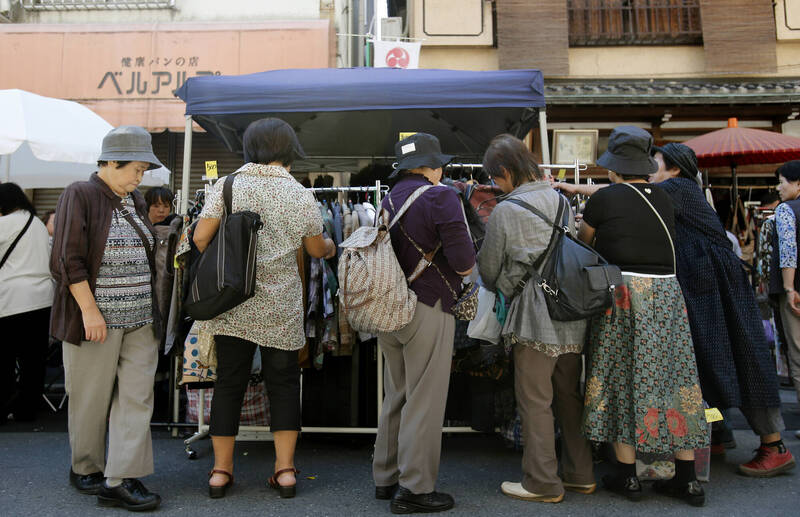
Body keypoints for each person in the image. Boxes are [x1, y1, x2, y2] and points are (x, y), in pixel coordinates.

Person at [559, 143, 796, 477]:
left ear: (674, 168)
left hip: (714, 284)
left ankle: (774, 445)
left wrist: (571, 187)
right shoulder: (678, 189)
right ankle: (715, 433)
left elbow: (621, 192)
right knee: (701, 363)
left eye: (654, 162)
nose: (648, 167)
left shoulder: (677, 188)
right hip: (705, 282)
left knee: (739, 359)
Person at [192, 118, 335, 499]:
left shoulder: (227, 185)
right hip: (280, 306)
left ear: (249, 149)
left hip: (233, 303)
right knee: (284, 386)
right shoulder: (301, 194)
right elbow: (316, 250)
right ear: (289, 151)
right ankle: (285, 471)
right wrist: (332, 247)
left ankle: (221, 472)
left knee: (229, 385)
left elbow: (200, 237)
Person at [577, 127, 708, 507]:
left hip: (624, 292)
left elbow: (585, 242)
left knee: (620, 375)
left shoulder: (605, 199)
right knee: (677, 377)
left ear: (614, 167)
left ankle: (627, 475)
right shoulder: (665, 199)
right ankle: (688, 479)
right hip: (668, 293)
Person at [50, 126, 165, 511]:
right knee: (90, 399)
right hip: (94, 321)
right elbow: (67, 259)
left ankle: (120, 479)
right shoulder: (79, 194)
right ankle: (86, 466)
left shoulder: (134, 201)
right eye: (134, 169)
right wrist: (89, 311)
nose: (139, 177)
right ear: (111, 162)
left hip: (139, 318)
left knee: (137, 398)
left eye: (143, 171)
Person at [477, 135, 594, 504]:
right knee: (568, 396)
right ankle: (581, 473)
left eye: (495, 179)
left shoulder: (506, 210)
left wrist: (505, 286)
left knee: (535, 399)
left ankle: (543, 481)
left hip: (533, 313)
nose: (496, 186)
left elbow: (489, 269)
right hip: (570, 309)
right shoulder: (559, 200)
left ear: (506, 173)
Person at [372, 133, 475, 514]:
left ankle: (385, 477)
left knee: (397, 392)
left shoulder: (387, 199)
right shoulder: (441, 196)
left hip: (387, 305)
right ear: (432, 165)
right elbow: (464, 263)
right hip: (428, 304)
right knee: (425, 399)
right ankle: (414, 489)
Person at [0, 183, 53, 424]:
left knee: (5, 358)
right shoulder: (37, 225)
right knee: (34, 360)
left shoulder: (6, 223)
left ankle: (3, 406)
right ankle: (27, 409)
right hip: (42, 298)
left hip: (12, 300)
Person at [772, 160, 800, 441]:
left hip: (797, 291)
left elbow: (788, 251)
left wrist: (789, 287)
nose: (778, 188)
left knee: (799, 356)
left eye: (783, 182)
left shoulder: (786, 210)